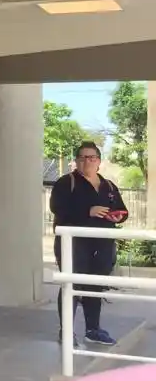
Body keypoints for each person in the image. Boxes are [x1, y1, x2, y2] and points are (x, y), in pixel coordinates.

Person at [50, 140, 129, 347]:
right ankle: (66, 332)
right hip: (74, 244)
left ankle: (93, 330)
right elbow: (58, 209)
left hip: (102, 243)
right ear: (76, 161)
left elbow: (122, 210)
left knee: (95, 286)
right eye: (83, 157)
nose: (87, 161)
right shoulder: (66, 183)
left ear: (99, 162)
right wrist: (88, 211)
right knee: (72, 284)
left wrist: (118, 217)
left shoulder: (109, 186)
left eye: (91, 157)